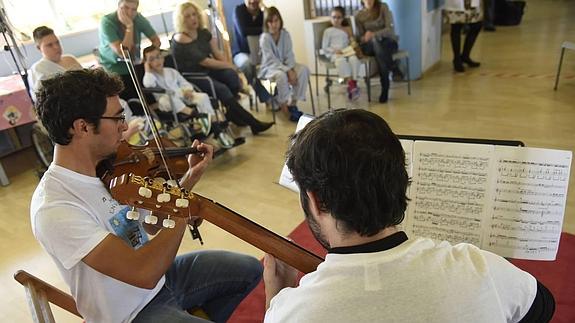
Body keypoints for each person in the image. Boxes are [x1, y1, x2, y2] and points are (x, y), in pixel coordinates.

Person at [263, 109, 555, 322]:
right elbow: (543, 305)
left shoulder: (294, 313)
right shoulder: (481, 268)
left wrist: (277, 298)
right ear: (401, 181)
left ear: (316, 201)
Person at [30, 68, 262, 323]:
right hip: (130, 313)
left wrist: (189, 179)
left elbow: (153, 223)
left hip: (162, 283)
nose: (125, 127)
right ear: (82, 127)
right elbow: (143, 272)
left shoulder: (108, 168)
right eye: (117, 118)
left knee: (249, 269)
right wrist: (183, 209)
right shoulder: (55, 207)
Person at [171, 1, 273, 135]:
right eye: (188, 16)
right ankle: (253, 122)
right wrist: (232, 66)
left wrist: (232, 70)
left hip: (208, 71)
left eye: (194, 14)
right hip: (193, 76)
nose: (193, 18)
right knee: (222, 88)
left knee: (231, 76)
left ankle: (232, 113)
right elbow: (205, 61)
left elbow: (217, 54)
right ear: (181, 20)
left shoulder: (203, 33)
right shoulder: (181, 37)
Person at [142, 45, 240, 148]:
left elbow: (184, 83)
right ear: (147, 63)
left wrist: (187, 90)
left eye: (158, 56)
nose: (157, 61)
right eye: (152, 59)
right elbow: (148, 84)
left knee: (203, 97)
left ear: (162, 57)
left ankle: (212, 124)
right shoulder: (150, 76)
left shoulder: (171, 71)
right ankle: (200, 117)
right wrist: (147, 69)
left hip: (182, 96)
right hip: (167, 103)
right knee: (168, 98)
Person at [99, 0, 161, 102]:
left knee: (150, 95)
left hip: (135, 64)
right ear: (118, 7)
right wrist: (129, 27)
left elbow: (156, 41)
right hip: (115, 69)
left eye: (134, 9)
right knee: (132, 101)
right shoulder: (107, 22)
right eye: (126, 8)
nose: (129, 13)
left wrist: (148, 58)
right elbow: (123, 53)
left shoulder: (138, 18)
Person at [259, 7, 310, 122]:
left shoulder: (285, 34)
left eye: (276, 20)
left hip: (286, 65)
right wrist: (288, 71)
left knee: (303, 70)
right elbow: (271, 59)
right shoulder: (264, 38)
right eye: (270, 21)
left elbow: (290, 55)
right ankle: (284, 107)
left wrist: (291, 68)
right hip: (270, 67)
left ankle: (293, 103)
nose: (274, 24)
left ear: (280, 21)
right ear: (267, 23)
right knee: (281, 75)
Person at [355, 0, 402, 103]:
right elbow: (359, 37)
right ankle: (393, 67)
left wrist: (374, 34)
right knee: (376, 45)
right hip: (369, 47)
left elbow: (389, 29)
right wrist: (365, 37)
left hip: (388, 42)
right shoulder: (358, 15)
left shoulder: (383, 7)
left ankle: (385, 87)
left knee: (379, 49)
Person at [232, 0, 272, 105]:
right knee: (247, 65)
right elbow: (243, 31)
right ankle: (265, 96)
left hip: (260, 52)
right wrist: (262, 30)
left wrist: (265, 11)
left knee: (275, 63)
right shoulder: (239, 11)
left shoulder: (263, 12)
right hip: (241, 52)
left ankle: (278, 96)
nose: (253, 1)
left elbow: (270, 29)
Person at [321, 6, 365, 100]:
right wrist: (334, 50)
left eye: (339, 17)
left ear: (342, 18)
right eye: (334, 17)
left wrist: (352, 43)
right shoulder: (328, 31)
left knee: (354, 59)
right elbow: (324, 47)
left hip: (347, 51)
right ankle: (352, 85)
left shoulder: (347, 29)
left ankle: (353, 84)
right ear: (330, 18)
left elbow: (352, 42)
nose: (336, 19)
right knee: (341, 61)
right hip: (335, 53)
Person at [27, 26, 82, 101]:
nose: (56, 47)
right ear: (39, 48)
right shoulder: (38, 69)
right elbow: (41, 100)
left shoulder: (70, 59)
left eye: (57, 42)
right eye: (49, 45)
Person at [444, 0, 483, 72]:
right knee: (456, 26)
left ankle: (465, 55)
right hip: (457, 4)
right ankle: (457, 59)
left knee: (477, 25)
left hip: (471, 3)